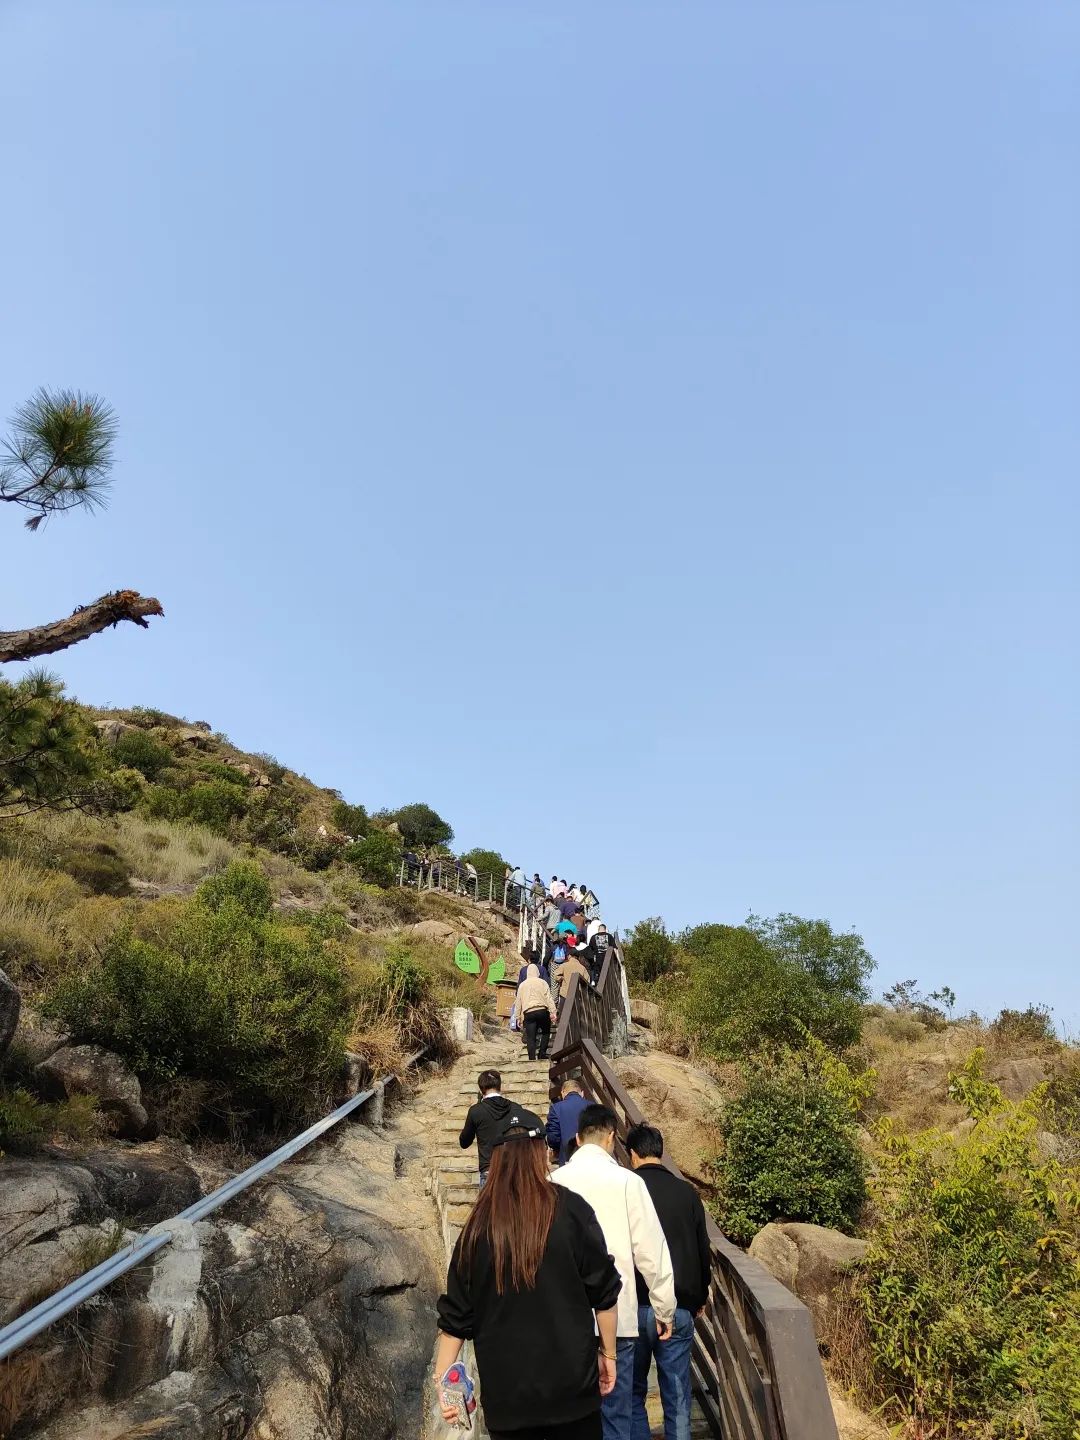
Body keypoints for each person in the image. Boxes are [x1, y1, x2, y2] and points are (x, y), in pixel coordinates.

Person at [435, 1109, 622, 1439]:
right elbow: (604, 1292)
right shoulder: (571, 1209)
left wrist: (443, 1382)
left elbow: (455, 1318)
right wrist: (608, 1353)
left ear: (496, 1161)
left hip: (508, 1402)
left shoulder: (477, 1227)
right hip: (572, 1393)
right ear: (541, 1154)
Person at [552, 1105, 676, 1440]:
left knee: (571, 1424)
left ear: (578, 1139)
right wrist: (664, 1308)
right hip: (618, 1319)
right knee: (616, 1418)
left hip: (565, 1323)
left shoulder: (553, 1182)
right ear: (610, 1137)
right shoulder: (628, 1182)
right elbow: (651, 1250)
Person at [626, 1125, 711, 1440]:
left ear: (632, 1154)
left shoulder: (628, 1190)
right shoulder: (686, 1192)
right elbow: (702, 1249)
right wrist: (700, 1296)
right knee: (677, 1394)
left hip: (634, 1307)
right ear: (660, 1151)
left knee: (633, 1393)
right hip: (678, 1306)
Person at [458, 1070, 514, 1187]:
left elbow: (464, 1142)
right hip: (512, 1169)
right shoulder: (515, 1108)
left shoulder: (476, 1111)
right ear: (500, 1086)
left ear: (481, 1089)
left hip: (489, 1170)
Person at [517, 962, 557, 1061]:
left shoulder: (522, 985)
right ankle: (542, 1054)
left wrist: (518, 1017)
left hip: (528, 1012)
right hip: (542, 1011)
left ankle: (531, 1058)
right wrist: (553, 1012)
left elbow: (518, 1002)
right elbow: (549, 998)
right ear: (537, 972)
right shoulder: (543, 983)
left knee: (531, 1037)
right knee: (545, 1032)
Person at [547, 1077, 590, 1165]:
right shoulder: (593, 1106)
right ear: (582, 1093)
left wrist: (556, 1150)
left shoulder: (556, 1108)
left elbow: (553, 1136)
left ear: (563, 1093)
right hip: (590, 1156)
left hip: (566, 1157)